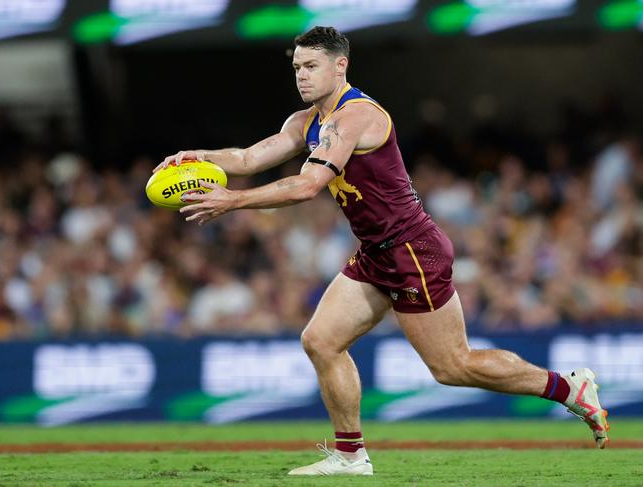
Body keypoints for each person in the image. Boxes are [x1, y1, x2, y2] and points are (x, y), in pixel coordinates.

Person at [155, 26, 609, 476]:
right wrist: (195, 156)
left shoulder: (357, 116)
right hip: (377, 252)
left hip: (413, 251)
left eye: (311, 66)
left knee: (453, 367)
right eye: (297, 67)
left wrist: (233, 201)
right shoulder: (304, 122)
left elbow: (308, 185)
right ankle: (351, 457)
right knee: (320, 341)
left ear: (340, 65)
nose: (302, 76)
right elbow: (250, 158)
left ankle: (568, 389)